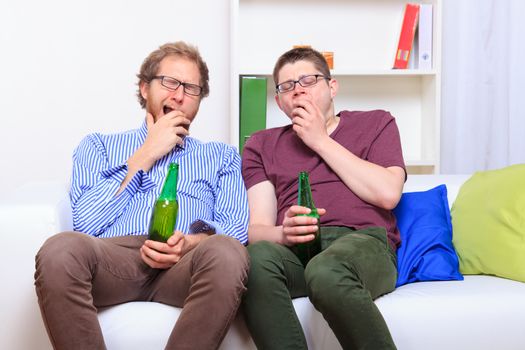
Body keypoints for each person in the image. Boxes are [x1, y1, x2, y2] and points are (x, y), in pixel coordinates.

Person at [34, 42, 250, 350]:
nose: (179, 96)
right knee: (59, 251)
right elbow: (83, 224)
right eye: (170, 82)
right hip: (114, 259)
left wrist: (190, 243)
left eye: (191, 88)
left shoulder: (221, 156)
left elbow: (236, 230)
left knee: (228, 253)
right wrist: (147, 153)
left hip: (185, 262)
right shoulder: (98, 146)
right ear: (144, 88)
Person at [241, 47, 406, 349]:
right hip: (295, 251)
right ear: (279, 102)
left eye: (308, 80)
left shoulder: (376, 123)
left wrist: (319, 139)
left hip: (363, 243)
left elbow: (388, 194)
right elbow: (256, 229)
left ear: (332, 87)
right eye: (287, 86)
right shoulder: (261, 145)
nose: (298, 91)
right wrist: (283, 232)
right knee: (254, 260)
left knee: (326, 271)